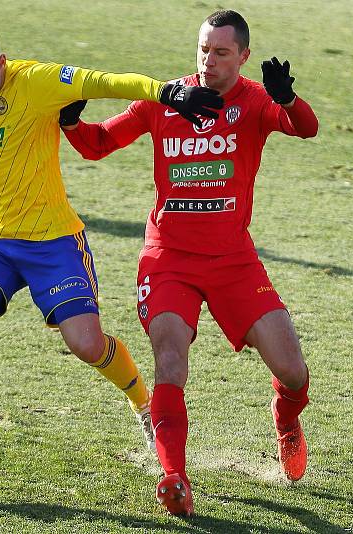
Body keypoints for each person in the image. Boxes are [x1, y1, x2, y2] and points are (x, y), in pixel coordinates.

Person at [0, 23, 223, 472]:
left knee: (86, 344)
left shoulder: (35, 82)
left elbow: (103, 81)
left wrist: (167, 94)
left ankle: (144, 406)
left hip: (53, 241)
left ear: (1, 63)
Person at [60, 9, 318, 516]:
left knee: (293, 372)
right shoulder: (166, 100)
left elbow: (304, 128)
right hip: (168, 260)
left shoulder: (255, 101)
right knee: (170, 361)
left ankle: (286, 421)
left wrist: (286, 97)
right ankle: (174, 477)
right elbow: (97, 144)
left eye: (221, 52)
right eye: (203, 49)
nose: (209, 60)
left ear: (243, 57)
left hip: (234, 262)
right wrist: (70, 120)